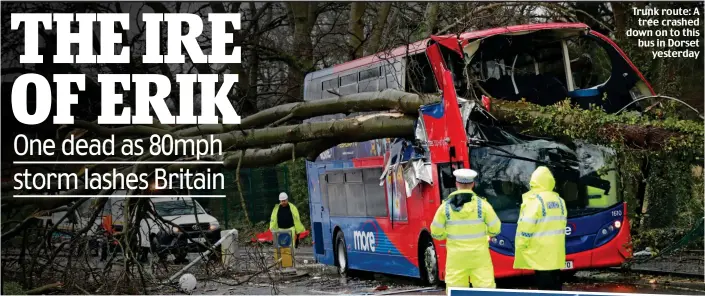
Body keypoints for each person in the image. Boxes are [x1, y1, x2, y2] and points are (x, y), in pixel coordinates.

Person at [431, 168, 502, 290]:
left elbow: (436, 233)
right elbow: (496, 229)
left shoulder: (445, 207)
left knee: (456, 290)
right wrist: (487, 234)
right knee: (485, 289)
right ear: (473, 184)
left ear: (456, 184)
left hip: (456, 257)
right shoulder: (483, 205)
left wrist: (446, 235)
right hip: (479, 256)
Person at [513, 166, 568, 290]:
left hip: (540, 252)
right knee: (555, 284)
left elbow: (526, 226)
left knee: (544, 286)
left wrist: (521, 245)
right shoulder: (559, 200)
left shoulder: (534, 201)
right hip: (556, 252)